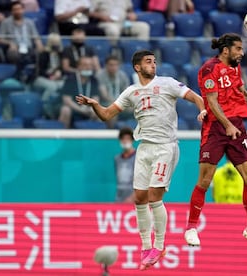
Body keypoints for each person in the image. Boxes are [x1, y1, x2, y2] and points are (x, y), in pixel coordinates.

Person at [76, 50, 206, 270]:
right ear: (137, 67)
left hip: (165, 146)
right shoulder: (131, 92)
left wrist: (202, 111)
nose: (153, 65)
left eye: (155, 62)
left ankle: (160, 245)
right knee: (139, 198)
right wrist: (95, 105)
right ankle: (146, 247)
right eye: (148, 62)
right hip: (144, 148)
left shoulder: (168, 83)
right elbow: (107, 115)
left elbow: (196, 97)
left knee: (155, 196)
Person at [184, 33, 247, 251]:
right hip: (216, 128)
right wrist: (227, 126)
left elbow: (240, 92)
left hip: (236, 126)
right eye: (238, 49)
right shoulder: (208, 69)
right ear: (226, 50)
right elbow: (212, 102)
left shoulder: (235, 67)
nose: (242, 53)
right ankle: (191, 227)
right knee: (205, 180)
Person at [59, 56, 101, 128]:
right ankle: (63, 137)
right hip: (73, 109)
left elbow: (95, 98)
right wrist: (80, 110)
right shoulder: (70, 79)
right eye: (85, 65)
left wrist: (91, 108)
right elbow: (67, 100)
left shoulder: (94, 80)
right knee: (65, 110)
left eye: (90, 65)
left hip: (87, 109)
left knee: (99, 111)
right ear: (78, 67)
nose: (88, 67)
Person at [0, 1, 43, 65]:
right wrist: (10, 43)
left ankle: (36, 74)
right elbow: (0, 39)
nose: (17, 11)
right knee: (13, 55)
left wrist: (39, 45)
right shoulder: (5, 23)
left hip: (29, 48)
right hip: (14, 49)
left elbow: (36, 37)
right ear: (11, 11)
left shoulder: (30, 22)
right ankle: (19, 74)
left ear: (23, 10)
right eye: (15, 10)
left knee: (42, 53)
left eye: (19, 9)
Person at [33, 33, 64, 119]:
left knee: (64, 84)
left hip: (57, 79)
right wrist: (50, 75)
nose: (56, 45)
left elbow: (63, 69)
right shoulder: (44, 54)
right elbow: (40, 70)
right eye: (54, 42)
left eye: (57, 42)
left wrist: (60, 73)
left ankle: (59, 107)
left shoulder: (61, 54)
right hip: (42, 78)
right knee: (52, 86)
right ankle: (44, 105)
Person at [96, 55, 133, 127]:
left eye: (116, 65)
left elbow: (126, 93)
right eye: (111, 65)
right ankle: (111, 132)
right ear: (106, 65)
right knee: (112, 111)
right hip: (104, 103)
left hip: (120, 103)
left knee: (137, 109)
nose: (114, 67)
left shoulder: (122, 75)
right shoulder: (100, 75)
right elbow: (104, 95)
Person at [114, 127, 136, 203]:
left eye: (128, 138)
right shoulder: (117, 159)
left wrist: (133, 197)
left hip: (134, 199)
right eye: (123, 139)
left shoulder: (138, 157)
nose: (125, 141)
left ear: (132, 140)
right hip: (119, 198)